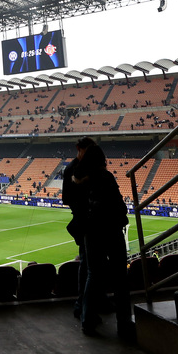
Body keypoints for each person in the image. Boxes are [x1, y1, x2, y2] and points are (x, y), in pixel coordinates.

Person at [72, 143, 131, 340]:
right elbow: (118, 205)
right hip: (111, 231)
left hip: (91, 233)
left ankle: (87, 320)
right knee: (120, 278)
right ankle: (124, 323)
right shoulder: (106, 177)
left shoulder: (79, 180)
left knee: (93, 275)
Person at [61, 137, 95, 320]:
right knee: (87, 264)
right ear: (79, 149)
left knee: (94, 265)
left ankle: (92, 301)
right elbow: (66, 199)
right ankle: (81, 304)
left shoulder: (90, 167)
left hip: (94, 221)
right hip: (84, 221)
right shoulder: (72, 170)